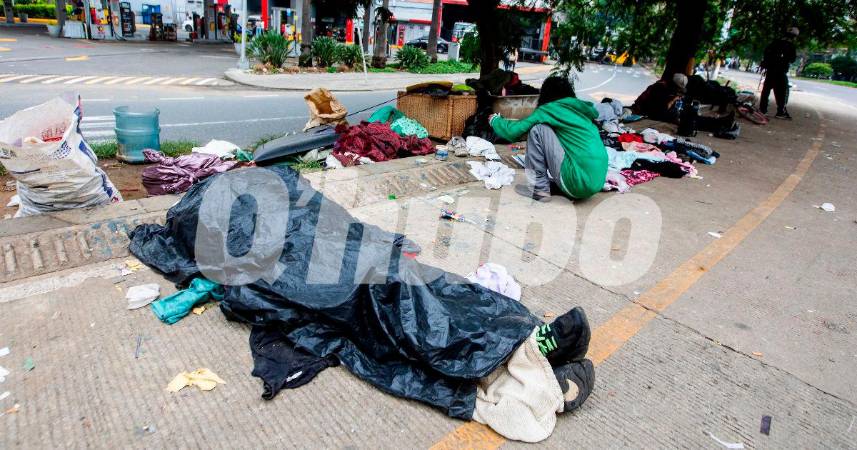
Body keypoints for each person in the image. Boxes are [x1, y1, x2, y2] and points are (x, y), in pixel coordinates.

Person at [489, 76, 607, 202]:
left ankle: (538, 189)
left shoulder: (551, 109)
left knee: (538, 129)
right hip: (596, 183)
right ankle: (559, 185)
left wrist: (495, 120)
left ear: (546, 94)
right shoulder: (581, 111)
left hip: (577, 182)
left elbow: (513, 132)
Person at [760, 27, 798, 119]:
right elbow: (792, 59)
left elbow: (766, 53)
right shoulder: (790, 46)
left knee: (766, 90)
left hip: (770, 70)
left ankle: (762, 110)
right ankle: (780, 112)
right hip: (781, 71)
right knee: (782, 91)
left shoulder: (774, 43)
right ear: (794, 37)